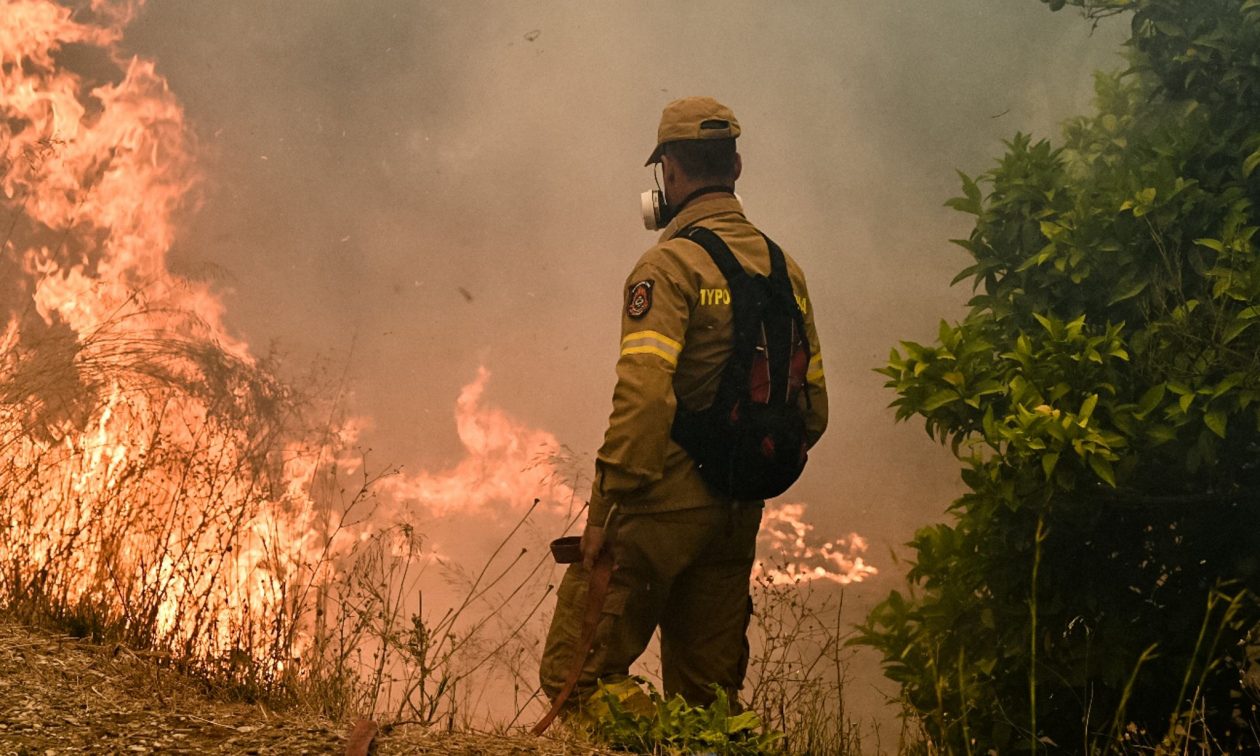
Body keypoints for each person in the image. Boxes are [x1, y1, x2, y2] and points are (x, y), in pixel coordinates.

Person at [539, 96, 829, 717]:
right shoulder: (785, 270)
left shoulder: (668, 266)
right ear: (737, 167)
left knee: (577, 678)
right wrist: (738, 471)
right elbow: (816, 408)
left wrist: (606, 510)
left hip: (658, 507)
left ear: (668, 172)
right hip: (737, 513)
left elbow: (644, 398)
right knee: (708, 705)